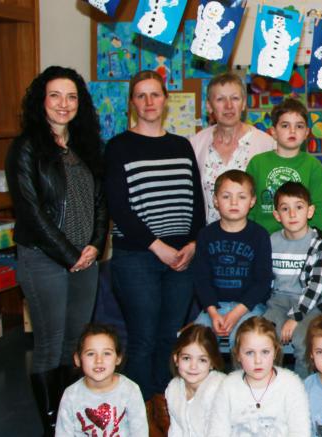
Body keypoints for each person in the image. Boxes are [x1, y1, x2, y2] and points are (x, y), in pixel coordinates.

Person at [6, 66, 108, 433]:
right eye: (55, 96)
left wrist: (95, 245)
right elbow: (30, 211)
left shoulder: (86, 145)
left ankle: (70, 419)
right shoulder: (26, 148)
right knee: (49, 344)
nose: (63, 104)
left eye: (71, 97)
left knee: (74, 344)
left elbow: (101, 203)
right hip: (44, 258)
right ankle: (52, 426)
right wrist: (69, 254)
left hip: (86, 258)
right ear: (41, 100)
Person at [106, 70, 205, 398]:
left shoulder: (182, 146)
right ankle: (139, 411)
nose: (149, 102)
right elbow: (119, 207)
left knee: (169, 339)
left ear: (165, 100)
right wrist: (156, 246)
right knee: (143, 339)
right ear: (132, 103)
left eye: (155, 94)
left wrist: (193, 243)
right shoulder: (118, 147)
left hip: (181, 259)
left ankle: (165, 409)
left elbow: (196, 201)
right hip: (137, 257)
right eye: (141, 95)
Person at [192, 170, 273, 347]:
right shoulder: (205, 235)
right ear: (215, 201)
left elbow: (263, 281)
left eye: (241, 197)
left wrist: (236, 313)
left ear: (252, 201)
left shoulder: (260, 235)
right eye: (226, 196)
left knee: (246, 341)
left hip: (249, 307)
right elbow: (201, 279)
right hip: (213, 308)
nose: (234, 202)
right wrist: (213, 313)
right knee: (196, 342)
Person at [261, 182, 322, 377]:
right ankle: (271, 386)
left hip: (310, 303)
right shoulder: (271, 241)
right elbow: (266, 279)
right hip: (278, 302)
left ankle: (302, 388)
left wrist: (295, 318)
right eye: (285, 209)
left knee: (304, 341)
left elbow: (316, 286)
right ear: (277, 215)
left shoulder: (321, 242)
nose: (292, 214)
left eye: (299, 207)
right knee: (263, 339)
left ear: (310, 211)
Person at [189, 72, 276, 223]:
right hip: (208, 233)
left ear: (243, 103)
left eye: (235, 98)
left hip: (253, 233)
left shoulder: (267, 144)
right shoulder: (196, 144)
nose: (228, 106)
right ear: (209, 106)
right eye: (220, 99)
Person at [208, 317, 311, 436]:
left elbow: (300, 432)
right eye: (249, 353)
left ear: (275, 352)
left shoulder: (291, 384)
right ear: (238, 355)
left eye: (265, 352)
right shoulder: (228, 386)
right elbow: (217, 432)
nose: (258, 360)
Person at [246, 98, 322, 233]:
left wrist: (308, 237)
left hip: (302, 239)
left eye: (299, 126)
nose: (292, 131)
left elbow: (319, 208)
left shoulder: (314, 166)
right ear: (273, 132)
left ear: (306, 133)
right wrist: (252, 235)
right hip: (262, 237)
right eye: (285, 126)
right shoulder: (257, 163)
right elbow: (248, 205)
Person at [56, 324, 148, 436]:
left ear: (118, 358)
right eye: (90, 354)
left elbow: (140, 432)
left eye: (107, 353)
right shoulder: (71, 395)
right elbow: (63, 433)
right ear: (78, 359)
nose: (99, 360)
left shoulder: (130, 390)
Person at [165, 324, 226, 437]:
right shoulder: (173, 388)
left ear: (212, 363)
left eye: (202, 360)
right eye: (186, 358)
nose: (193, 366)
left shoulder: (219, 390)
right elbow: (175, 430)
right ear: (176, 359)